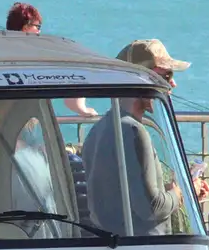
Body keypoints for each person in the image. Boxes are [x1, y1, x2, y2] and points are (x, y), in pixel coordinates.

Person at [81, 39, 189, 235]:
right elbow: (152, 208)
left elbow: (123, 197)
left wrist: (168, 190)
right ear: (139, 77)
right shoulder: (134, 132)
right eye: (166, 75)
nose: (172, 83)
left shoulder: (99, 129)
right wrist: (181, 193)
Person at [8, 2, 97, 119]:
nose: (39, 31)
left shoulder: (2, 52)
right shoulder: (35, 56)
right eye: (37, 27)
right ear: (26, 28)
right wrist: (82, 109)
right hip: (27, 120)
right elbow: (73, 74)